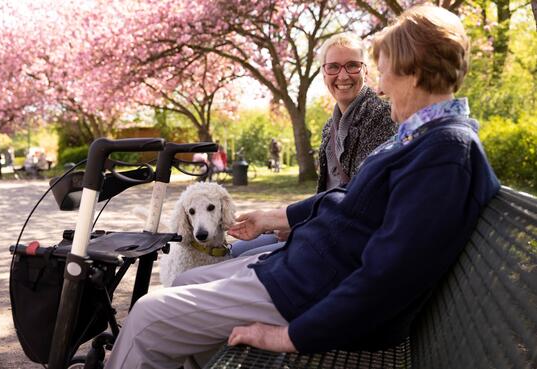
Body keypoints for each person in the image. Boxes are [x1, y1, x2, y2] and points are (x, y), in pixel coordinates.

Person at [105, 5, 500, 368]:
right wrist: (278, 217)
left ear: (413, 72)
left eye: (382, 72)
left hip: (308, 291)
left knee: (145, 316)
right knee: (186, 280)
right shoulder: (425, 139)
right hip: (303, 270)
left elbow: (388, 275)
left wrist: (289, 337)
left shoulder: (445, 152)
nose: (378, 87)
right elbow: (351, 203)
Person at [231, 33, 396, 257]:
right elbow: (327, 191)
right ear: (323, 73)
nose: (343, 75)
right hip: (320, 223)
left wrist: (303, 225)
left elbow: (359, 198)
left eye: (352, 66)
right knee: (234, 249)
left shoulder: (382, 116)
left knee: (241, 255)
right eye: (334, 67)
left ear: (366, 70)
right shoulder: (330, 126)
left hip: (344, 240)